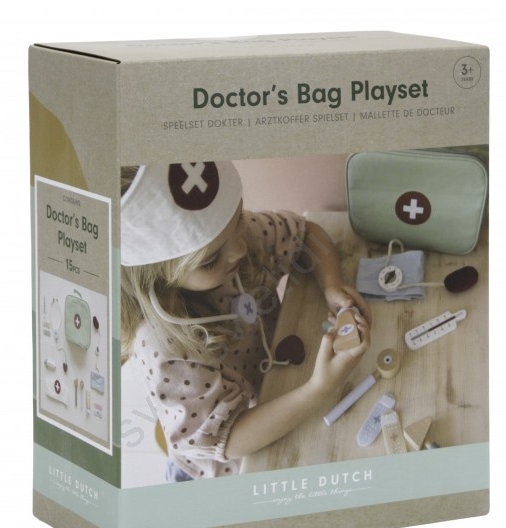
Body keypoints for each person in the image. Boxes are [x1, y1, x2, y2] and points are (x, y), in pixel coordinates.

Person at [121, 161, 372, 481]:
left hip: (270, 391)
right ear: (155, 274)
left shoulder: (233, 239)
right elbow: (229, 439)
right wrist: (319, 388)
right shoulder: (165, 348)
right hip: (224, 472)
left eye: (238, 218)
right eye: (211, 259)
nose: (240, 249)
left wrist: (332, 284)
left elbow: (306, 232)